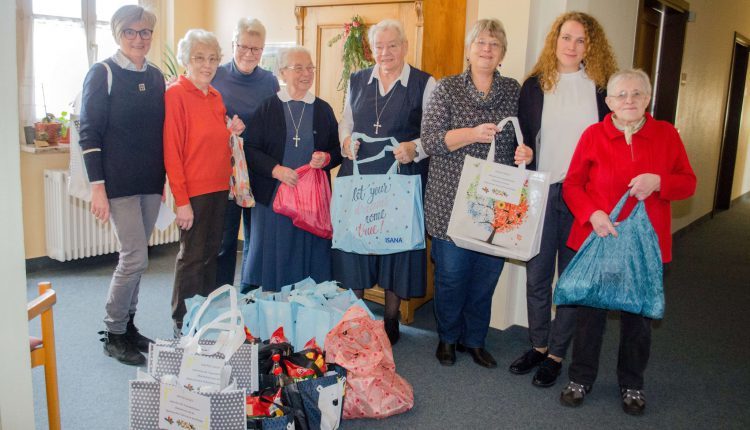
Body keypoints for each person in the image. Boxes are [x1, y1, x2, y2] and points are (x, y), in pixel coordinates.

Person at [559, 69, 696, 415]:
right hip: (600, 238)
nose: (629, 100)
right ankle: (580, 378)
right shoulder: (593, 135)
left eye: (637, 94)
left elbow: (688, 183)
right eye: (621, 94)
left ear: (647, 98)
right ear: (609, 102)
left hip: (645, 247)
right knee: (590, 316)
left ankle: (632, 382)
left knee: (638, 319)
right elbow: (572, 185)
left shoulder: (666, 135)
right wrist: (592, 214)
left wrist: (659, 182)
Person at [509, 11, 618, 387]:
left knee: (570, 282)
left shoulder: (602, 89)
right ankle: (538, 346)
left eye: (581, 40)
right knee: (537, 277)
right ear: (555, 40)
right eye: (566, 37)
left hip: (582, 197)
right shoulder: (535, 86)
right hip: (542, 191)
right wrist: (523, 153)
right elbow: (523, 141)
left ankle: (556, 355)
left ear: (591, 47)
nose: (572, 46)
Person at [421, 19, 533, 368]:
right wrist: (471, 133)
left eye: (494, 44)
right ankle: (448, 338)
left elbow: (522, 137)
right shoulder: (447, 88)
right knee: (451, 276)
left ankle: (475, 341)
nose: (487, 49)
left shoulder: (513, 91)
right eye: (481, 42)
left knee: (485, 277)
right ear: (469, 50)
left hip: (496, 204)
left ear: (502, 54)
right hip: (450, 201)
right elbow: (430, 141)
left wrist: (525, 152)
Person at [332, 19, 436, 345]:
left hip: (400, 177)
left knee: (396, 248)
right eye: (379, 46)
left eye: (392, 45)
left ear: (405, 47)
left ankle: (391, 320)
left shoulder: (424, 83)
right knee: (356, 245)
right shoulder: (358, 80)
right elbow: (346, 122)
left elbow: (434, 134)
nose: (386, 52)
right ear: (372, 49)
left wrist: (415, 148)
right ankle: (355, 317)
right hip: (361, 176)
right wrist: (346, 142)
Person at [79, 5, 164, 366]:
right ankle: (113, 333)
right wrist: (97, 187)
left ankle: (128, 326)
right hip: (118, 184)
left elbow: (160, 131)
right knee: (134, 257)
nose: (138, 38)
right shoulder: (103, 73)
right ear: (117, 34)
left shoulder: (157, 76)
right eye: (130, 31)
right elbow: (89, 133)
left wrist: (165, 180)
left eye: (145, 32)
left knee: (138, 260)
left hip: (150, 182)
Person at [164, 29, 245, 336]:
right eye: (199, 58)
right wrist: (182, 201)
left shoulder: (215, 96)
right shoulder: (175, 94)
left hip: (219, 188)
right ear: (186, 60)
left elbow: (212, 139)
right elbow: (172, 151)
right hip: (194, 192)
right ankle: (182, 321)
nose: (206, 65)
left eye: (212, 59)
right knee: (192, 257)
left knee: (212, 255)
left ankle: (204, 315)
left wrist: (231, 129)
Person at [244, 46, 342, 291]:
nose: (306, 73)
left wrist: (326, 157)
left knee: (309, 255)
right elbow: (250, 149)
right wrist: (275, 169)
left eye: (310, 68)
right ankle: (274, 307)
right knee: (276, 256)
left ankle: (308, 305)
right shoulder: (268, 108)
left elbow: (338, 149)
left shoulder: (323, 109)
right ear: (282, 73)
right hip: (274, 197)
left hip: (311, 200)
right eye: (298, 68)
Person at [212, 18, 279, 290]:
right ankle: (222, 295)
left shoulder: (269, 81)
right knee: (225, 238)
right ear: (233, 45)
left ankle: (249, 294)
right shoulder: (216, 76)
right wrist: (224, 126)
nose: (249, 54)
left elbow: (274, 123)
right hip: (225, 169)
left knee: (256, 238)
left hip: (258, 168)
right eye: (243, 47)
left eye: (256, 48)